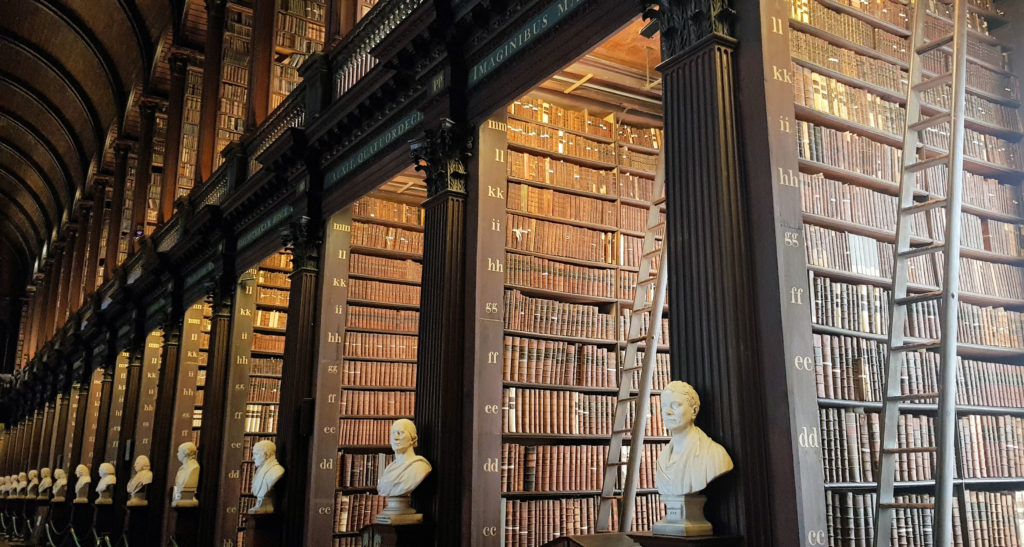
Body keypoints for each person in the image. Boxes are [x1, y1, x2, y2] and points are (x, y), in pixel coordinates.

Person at [655, 381, 733, 496]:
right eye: (664, 406)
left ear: (694, 411)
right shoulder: (662, 458)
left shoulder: (714, 455)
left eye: (675, 405)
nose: (667, 412)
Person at [377, 419, 431, 497]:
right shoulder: (389, 469)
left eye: (400, 433)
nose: (395, 438)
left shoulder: (420, 467)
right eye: (393, 433)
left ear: (413, 438)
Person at [248, 440, 284, 514]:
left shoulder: (277, 471)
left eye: (256, 454)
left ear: (266, 454)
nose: (253, 458)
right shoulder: (260, 470)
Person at [172, 442, 199, 507]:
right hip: (180, 496)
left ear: (186, 453)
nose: (177, 454)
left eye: (179, 452)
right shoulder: (181, 468)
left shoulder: (194, 468)